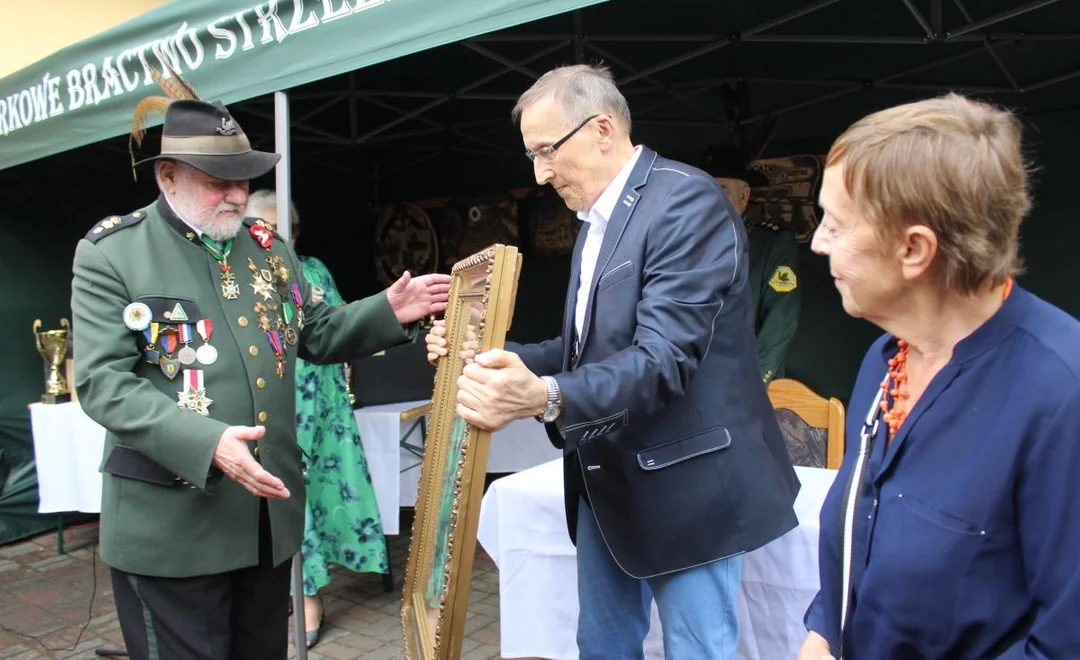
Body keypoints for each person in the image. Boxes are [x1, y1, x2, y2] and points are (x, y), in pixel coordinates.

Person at [426, 64, 799, 659]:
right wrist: (489, 356)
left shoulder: (686, 201)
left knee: (696, 650)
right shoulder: (599, 216)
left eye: (546, 150)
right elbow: (583, 349)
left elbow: (663, 359)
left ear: (603, 128)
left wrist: (545, 395)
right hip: (606, 480)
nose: (540, 173)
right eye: (531, 155)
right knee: (600, 646)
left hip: (688, 487)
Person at [71, 98, 450, 660]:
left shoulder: (268, 251)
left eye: (244, 179)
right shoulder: (113, 254)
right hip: (173, 526)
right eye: (216, 181)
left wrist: (388, 311)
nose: (237, 195)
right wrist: (207, 443)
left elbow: (316, 331)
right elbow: (103, 382)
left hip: (264, 521)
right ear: (167, 175)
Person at [797, 94, 1080, 659]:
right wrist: (822, 635)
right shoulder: (885, 360)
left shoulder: (1061, 395)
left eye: (836, 221)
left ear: (914, 249)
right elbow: (859, 546)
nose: (817, 241)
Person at [245, 189, 390, 649]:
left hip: (327, 405)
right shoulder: (242, 273)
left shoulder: (313, 269)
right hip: (280, 405)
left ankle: (343, 566)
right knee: (291, 500)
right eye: (267, 227)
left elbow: (336, 323)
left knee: (335, 489)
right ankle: (306, 595)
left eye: (287, 228)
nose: (278, 237)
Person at [703, 144, 801, 383]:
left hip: (751, 380)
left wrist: (753, 381)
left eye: (722, 188)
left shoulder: (772, 244)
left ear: (744, 196)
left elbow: (781, 319)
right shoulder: (689, 243)